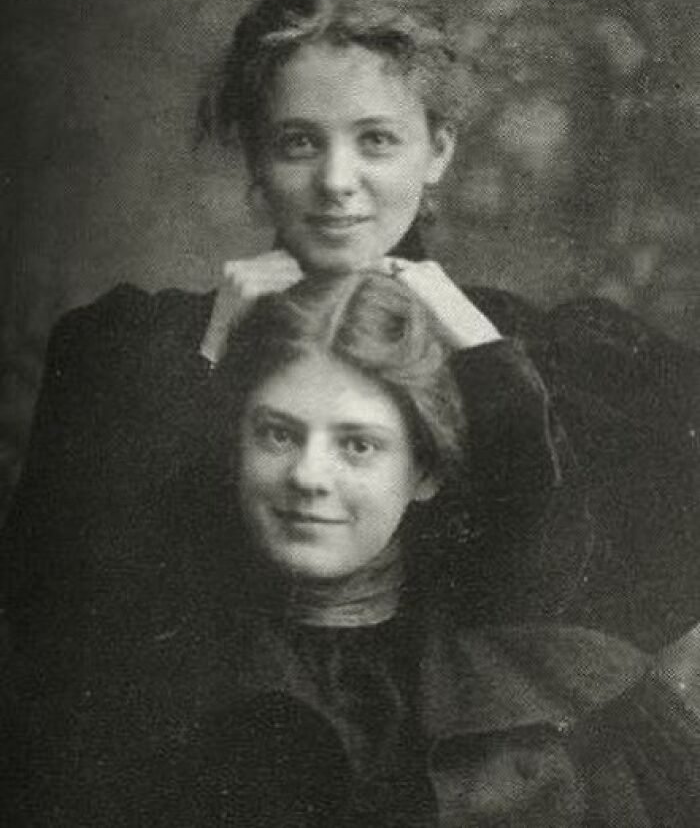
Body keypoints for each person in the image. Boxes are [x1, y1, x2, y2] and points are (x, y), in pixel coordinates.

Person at [1, 0, 698, 779]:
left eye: (376, 140)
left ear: (437, 150)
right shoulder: (135, 347)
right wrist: (210, 349)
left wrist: (480, 349)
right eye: (299, 141)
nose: (337, 182)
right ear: (256, 155)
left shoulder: (532, 353)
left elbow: (555, 593)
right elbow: (59, 614)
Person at [14, 270, 699, 826]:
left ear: (425, 472)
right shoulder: (153, 664)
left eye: (358, 444)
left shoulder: (536, 693)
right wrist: (215, 339)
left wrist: (477, 342)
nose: (309, 475)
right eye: (278, 434)